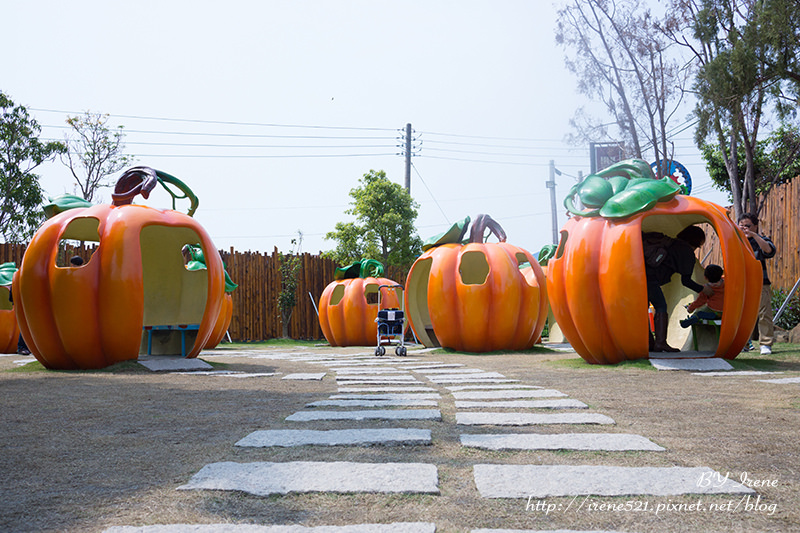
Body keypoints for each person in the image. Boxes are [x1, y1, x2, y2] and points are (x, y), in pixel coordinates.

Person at [644, 225, 707, 352]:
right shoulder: (686, 251)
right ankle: (660, 343)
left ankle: (649, 342)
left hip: (638, 275)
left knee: (643, 308)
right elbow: (686, 281)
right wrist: (703, 289)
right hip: (650, 279)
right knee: (661, 305)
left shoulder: (671, 243)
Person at [738, 212, 777, 355]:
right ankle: (743, 343)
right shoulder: (737, 241)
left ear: (755, 226)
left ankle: (766, 344)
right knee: (742, 314)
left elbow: (769, 251)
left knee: (764, 314)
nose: (744, 229)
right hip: (742, 283)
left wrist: (754, 236)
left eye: (747, 226)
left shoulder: (762, 239)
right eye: (741, 226)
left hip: (761, 282)